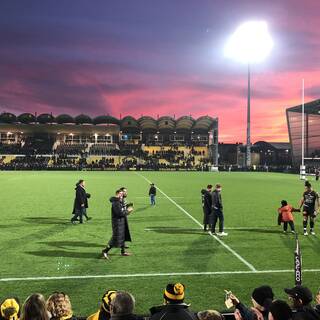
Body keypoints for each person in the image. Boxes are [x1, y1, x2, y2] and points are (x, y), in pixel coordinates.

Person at [102, 190, 133, 259]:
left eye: (122, 194)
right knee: (115, 238)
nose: (122, 195)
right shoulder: (116, 203)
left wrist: (128, 207)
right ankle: (105, 251)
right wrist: (128, 210)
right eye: (121, 194)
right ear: (117, 194)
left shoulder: (120, 201)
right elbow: (119, 213)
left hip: (122, 221)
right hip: (117, 223)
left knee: (123, 236)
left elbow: (122, 210)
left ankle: (123, 252)